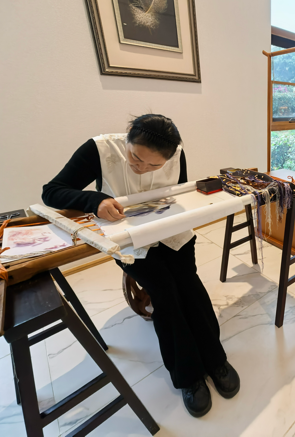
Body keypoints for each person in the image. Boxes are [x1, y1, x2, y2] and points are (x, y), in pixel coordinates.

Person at [42, 114, 239, 418]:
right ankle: (188, 376)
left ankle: (216, 360)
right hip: (129, 239)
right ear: (128, 139)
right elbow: (52, 191)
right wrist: (95, 201)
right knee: (165, 292)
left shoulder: (177, 153)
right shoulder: (100, 149)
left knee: (190, 285)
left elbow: (177, 195)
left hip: (171, 231)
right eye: (135, 158)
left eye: (153, 165)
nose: (142, 168)